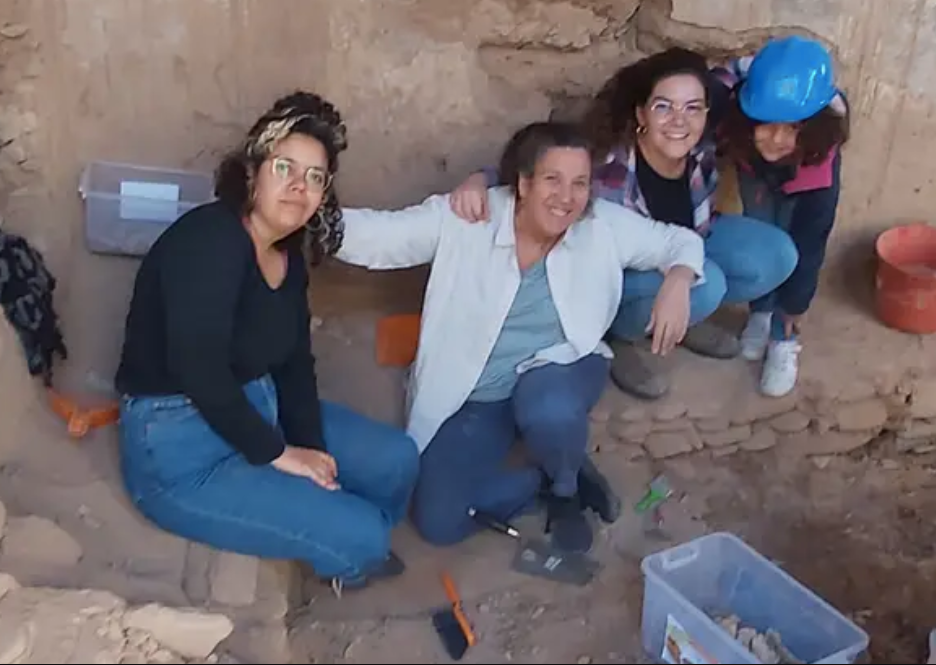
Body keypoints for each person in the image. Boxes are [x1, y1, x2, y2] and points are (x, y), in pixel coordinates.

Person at [334, 121, 705, 553]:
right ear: (523, 184)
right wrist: (305, 213)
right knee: (438, 522)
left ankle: (565, 490)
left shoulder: (601, 224)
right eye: (552, 180)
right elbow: (381, 238)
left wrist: (678, 280)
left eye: (579, 183)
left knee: (547, 404)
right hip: (478, 396)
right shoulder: (470, 216)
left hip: (561, 369)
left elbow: (676, 241)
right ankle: (542, 480)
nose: (566, 197)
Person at [114, 91, 420, 596]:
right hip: (178, 445)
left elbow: (295, 362)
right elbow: (197, 367)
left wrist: (310, 449)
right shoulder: (210, 240)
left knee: (397, 461)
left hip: (254, 403)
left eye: (315, 177)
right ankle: (350, 550)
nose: (299, 186)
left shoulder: (286, 254)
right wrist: (279, 453)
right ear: (252, 172)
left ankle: (344, 534)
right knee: (364, 535)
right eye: (285, 168)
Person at [448, 48, 799, 400]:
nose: (679, 120)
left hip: (691, 239)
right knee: (707, 283)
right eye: (664, 107)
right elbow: (529, 174)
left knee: (777, 255)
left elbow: (735, 72)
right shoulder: (604, 162)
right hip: (615, 278)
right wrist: (479, 180)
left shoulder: (701, 138)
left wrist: (807, 88)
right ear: (641, 113)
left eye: (693, 108)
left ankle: (678, 318)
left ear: (707, 111)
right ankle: (618, 336)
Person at [710, 35, 849, 397]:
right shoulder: (735, 105)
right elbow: (722, 77)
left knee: (795, 246)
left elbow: (812, 242)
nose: (775, 138)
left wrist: (795, 308)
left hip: (801, 172)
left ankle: (783, 337)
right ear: (748, 113)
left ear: (813, 126)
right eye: (766, 123)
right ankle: (760, 311)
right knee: (761, 228)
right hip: (753, 169)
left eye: (792, 127)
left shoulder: (820, 162)